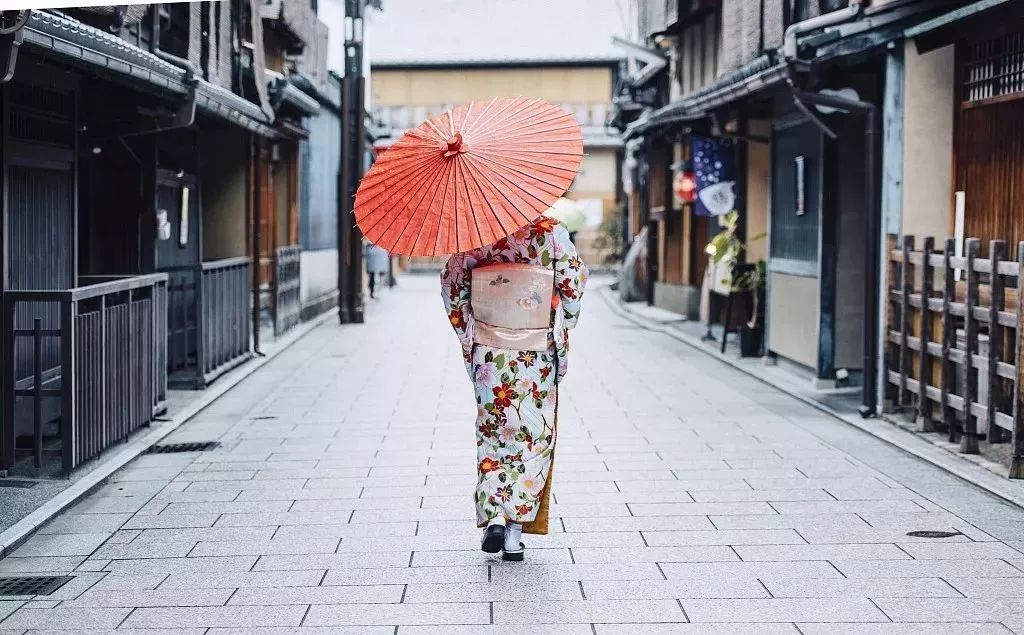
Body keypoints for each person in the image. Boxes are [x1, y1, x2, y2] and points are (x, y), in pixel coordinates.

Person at [441, 216, 588, 562]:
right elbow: (573, 284)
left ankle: (493, 513)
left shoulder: (474, 234)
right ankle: (513, 537)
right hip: (535, 351)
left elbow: (452, 287)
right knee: (533, 437)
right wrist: (556, 321)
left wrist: (473, 331)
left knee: (493, 434)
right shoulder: (551, 234)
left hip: (491, 354)